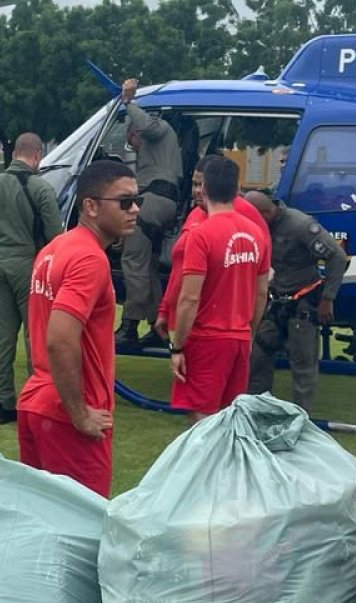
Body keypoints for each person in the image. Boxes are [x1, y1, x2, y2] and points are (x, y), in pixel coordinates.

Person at [17, 159, 139, 497]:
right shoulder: (89, 258)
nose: (135, 209)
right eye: (125, 201)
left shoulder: (55, 248)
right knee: (85, 528)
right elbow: (59, 339)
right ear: (91, 206)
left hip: (37, 400)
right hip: (66, 413)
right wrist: (80, 415)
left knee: (41, 519)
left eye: (136, 200)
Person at [164, 158, 270, 423]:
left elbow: (189, 297)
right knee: (228, 415)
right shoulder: (256, 232)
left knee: (202, 416)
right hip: (240, 337)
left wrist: (177, 347)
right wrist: (249, 332)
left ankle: (208, 465)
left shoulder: (201, 234)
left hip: (207, 336)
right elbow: (260, 293)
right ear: (238, 189)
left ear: (205, 188)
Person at [0, 131, 63, 424]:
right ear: (37, 155)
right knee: (35, 333)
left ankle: (2, 403)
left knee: (2, 335)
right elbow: (55, 235)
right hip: (28, 263)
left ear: (15, 154)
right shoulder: (39, 187)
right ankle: (36, 399)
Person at [245, 191, 350, 413]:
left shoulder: (300, 225)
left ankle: (301, 419)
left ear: (266, 212)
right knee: (259, 354)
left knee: (303, 364)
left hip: (303, 303)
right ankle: (254, 409)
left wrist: (328, 298)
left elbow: (338, 257)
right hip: (276, 302)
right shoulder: (262, 227)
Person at [154, 154, 269, 342]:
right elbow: (179, 268)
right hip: (185, 319)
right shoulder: (196, 214)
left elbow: (259, 280)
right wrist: (166, 309)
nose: (198, 191)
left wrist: (248, 330)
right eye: (194, 184)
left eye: (202, 185)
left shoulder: (245, 216)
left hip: (213, 328)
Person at [115, 77, 182, 347]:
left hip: (155, 199)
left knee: (132, 259)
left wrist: (129, 102)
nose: (133, 146)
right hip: (163, 202)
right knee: (148, 265)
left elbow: (146, 126)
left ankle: (129, 325)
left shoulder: (159, 129)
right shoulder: (162, 147)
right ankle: (157, 326)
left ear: (135, 132)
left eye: (131, 140)